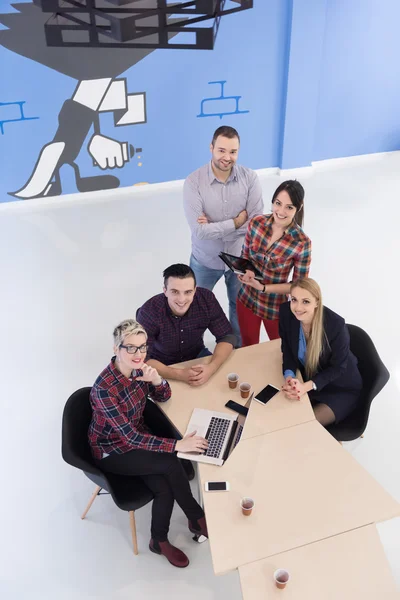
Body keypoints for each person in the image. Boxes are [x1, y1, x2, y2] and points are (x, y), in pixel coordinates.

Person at [88, 319, 209, 568]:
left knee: (163, 488)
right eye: (130, 347)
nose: (138, 353)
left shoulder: (139, 370)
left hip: (136, 438)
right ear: (116, 349)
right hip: (112, 449)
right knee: (171, 464)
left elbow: (163, 397)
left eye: (142, 347)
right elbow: (129, 437)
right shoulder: (104, 390)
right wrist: (177, 445)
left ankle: (158, 540)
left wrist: (156, 381)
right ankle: (196, 517)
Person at [183, 125, 264, 346]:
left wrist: (215, 226)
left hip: (240, 259)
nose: (227, 157)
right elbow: (199, 230)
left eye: (233, 152)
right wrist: (237, 221)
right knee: (193, 309)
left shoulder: (250, 178)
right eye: (221, 150)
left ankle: (237, 350)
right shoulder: (193, 183)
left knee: (239, 309)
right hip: (205, 260)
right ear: (211, 148)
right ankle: (191, 349)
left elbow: (256, 224)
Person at [236, 179, 311, 345]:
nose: (281, 211)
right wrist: (243, 272)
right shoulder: (256, 223)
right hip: (246, 300)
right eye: (278, 203)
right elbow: (245, 257)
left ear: (298, 208)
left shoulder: (302, 243)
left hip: (275, 308)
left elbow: (298, 286)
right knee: (248, 347)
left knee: (281, 350)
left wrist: (263, 288)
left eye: (289, 207)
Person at [279, 278, 363, 426]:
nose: (298, 307)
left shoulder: (336, 325)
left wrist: (307, 386)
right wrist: (290, 377)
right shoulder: (286, 313)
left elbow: (338, 368)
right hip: (309, 379)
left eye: (306, 301)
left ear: (317, 302)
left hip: (340, 387)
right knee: (283, 417)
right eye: (294, 300)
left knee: (304, 426)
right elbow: (287, 350)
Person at [136, 263, 236, 386]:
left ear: (195, 290)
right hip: (161, 363)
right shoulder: (149, 311)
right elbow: (141, 357)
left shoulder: (206, 299)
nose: (182, 299)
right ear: (165, 291)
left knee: (223, 384)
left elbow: (227, 336)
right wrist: (179, 374)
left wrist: (212, 367)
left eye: (188, 292)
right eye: (175, 292)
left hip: (196, 355)